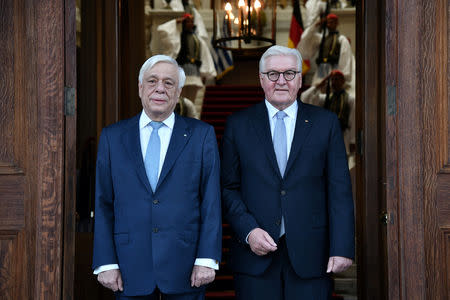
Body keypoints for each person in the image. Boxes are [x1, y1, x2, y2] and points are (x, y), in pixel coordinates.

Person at [221, 45, 354, 300]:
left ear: (300, 79)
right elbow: (228, 188)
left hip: (312, 256)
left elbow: (339, 190)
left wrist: (342, 247)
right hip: (253, 257)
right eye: (273, 74)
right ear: (261, 79)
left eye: (289, 73)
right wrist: (248, 231)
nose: (281, 81)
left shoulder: (325, 124)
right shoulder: (237, 125)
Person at [92, 54, 222, 300]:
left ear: (179, 91)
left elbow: (211, 202)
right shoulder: (113, 137)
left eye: (168, 83)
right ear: (141, 88)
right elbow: (103, 202)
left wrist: (207, 258)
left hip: (185, 267)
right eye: (152, 81)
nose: (160, 88)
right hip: (129, 267)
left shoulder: (201, 135)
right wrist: (105, 262)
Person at [301, 69, 355, 162]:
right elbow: (305, 97)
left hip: (343, 138)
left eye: (337, 79)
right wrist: (318, 86)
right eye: (332, 80)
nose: (334, 82)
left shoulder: (350, 99)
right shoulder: (325, 99)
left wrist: (353, 141)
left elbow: (353, 120)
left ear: (343, 81)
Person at [298, 13, 355, 94]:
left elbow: (345, 59)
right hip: (321, 71)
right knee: (317, 94)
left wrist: (342, 77)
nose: (330, 24)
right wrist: (316, 24)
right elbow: (306, 38)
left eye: (332, 22)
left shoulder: (342, 39)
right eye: (328, 22)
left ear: (337, 23)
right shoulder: (321, 38)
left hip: (334, 70)